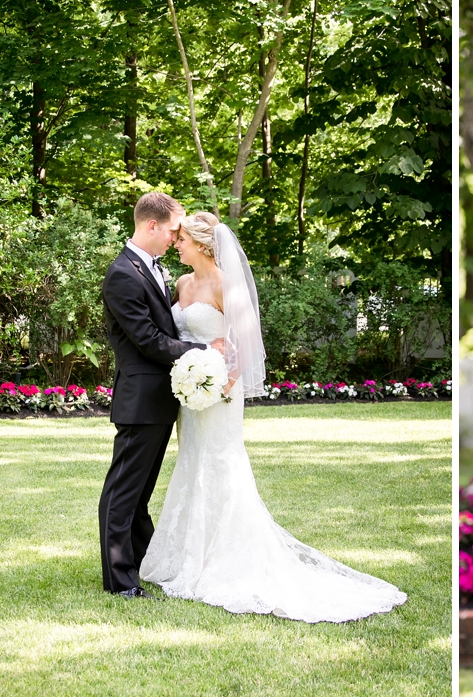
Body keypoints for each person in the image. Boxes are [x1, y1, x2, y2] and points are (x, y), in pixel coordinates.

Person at [139, 212, 407, 622]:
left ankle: (227, 559)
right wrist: (191, 383)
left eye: (182, 241)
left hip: (219, 393)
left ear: (202, 245)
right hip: (188, 394)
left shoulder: (228, 286)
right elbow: (178, 338)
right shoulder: (182, 284)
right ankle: (188, 555)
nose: (176, 245)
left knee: (221, 464)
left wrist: (219, 385)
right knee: (191, 463)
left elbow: (244, 344)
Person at [99, 192, 224, 599]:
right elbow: (149, 341)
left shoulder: (152, 268)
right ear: (151, 225)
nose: (176, 238)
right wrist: (204, 352)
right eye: (173, 230)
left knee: (139, 494)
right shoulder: (122, 274)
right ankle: (120, 581)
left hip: (161, 399)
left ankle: (140, 562)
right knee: (123, 492)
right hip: (140, 399)